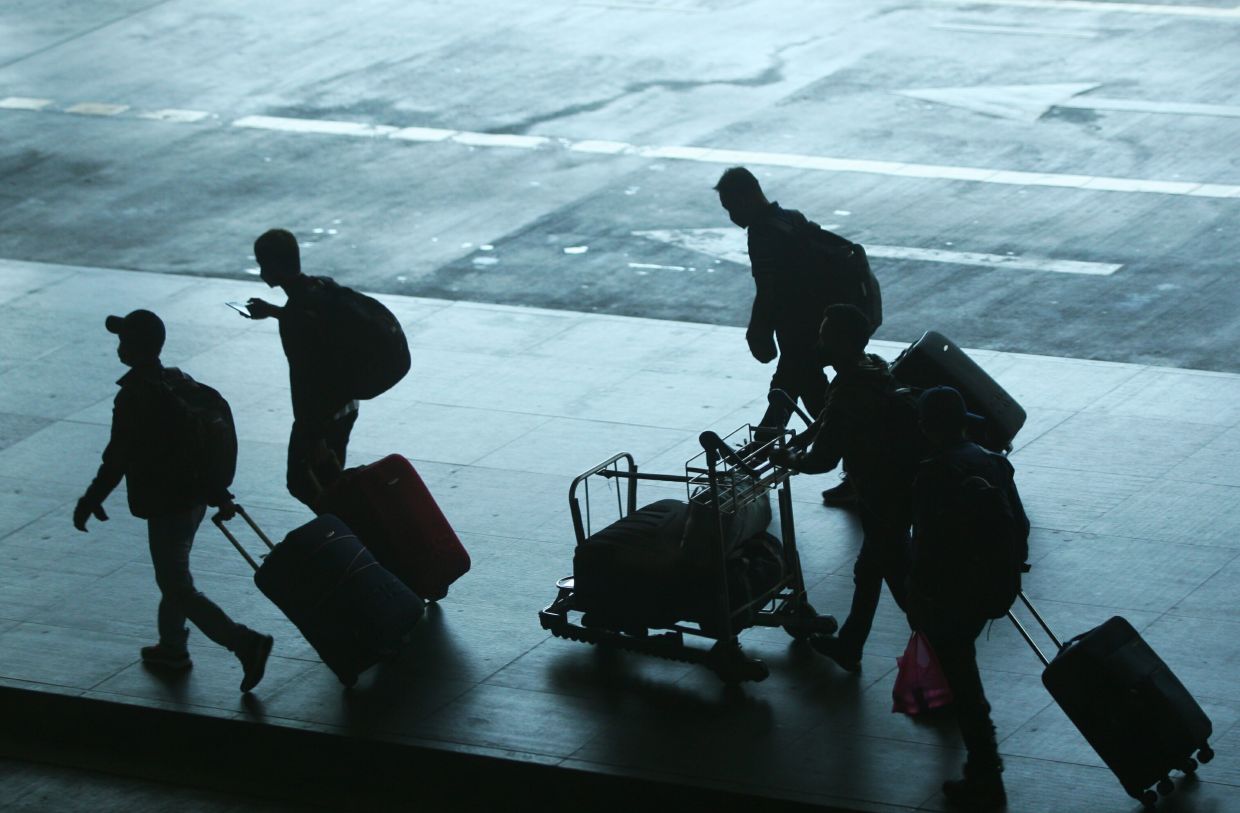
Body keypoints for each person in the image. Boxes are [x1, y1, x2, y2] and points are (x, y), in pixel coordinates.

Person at [73, 309, 273, 693]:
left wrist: (91, 498)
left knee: (176, 583)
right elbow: (193, 442)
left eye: (123, 340)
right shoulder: (176, 381)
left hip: (170, 502)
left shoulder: (136, 396)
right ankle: (171, 647)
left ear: (134, 347)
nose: (119, 346)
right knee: (173, 575)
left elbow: (118, 456)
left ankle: (245, 643)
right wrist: (217, 493)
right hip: (194, 498)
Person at [769, 304, 921, 671]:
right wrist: (801, 439)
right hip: (898, 487)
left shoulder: (849, 387)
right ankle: (851, 645)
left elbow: (824, 460)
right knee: (871, 570)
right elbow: (828, 420)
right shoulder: (872, 366)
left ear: (837, 341)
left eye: (824, 334)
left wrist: (788, 460)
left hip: (880, 495)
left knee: (900, 579)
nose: (819, 340)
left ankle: (945, 647)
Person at [909, 386, 1030, 811]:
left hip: (953, 595)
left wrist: (921, 596)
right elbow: (1021, 524)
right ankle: (983, 766)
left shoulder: (933, 473)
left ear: (926, 427)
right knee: (963, 673)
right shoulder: (994, 462)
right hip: (993, 587)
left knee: (963, 681)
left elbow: (928, 547)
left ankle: (985, 771)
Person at [713, 166, 857, 508]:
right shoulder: (792, 219)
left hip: (799, 332)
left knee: (805, 400)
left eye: (732, 207)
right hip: (815, 327)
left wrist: (757, 331)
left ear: (748, 197)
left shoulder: (763, 234)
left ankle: (756, 462)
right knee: (792, 395)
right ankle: (756, 458)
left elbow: (769, 290)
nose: (732, 217)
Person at [246, 229, 360, 509]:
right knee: (331, 482)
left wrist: (313, 434)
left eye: (263, 264)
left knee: (303, 481)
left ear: (275, 266)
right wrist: (274, 312)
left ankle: (350, 533)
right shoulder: (321, 287)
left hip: (320, 415)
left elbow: (306, 378)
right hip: (347, 403)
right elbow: (314, 324)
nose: (261, 272)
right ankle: (349, 531)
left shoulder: (296, 317)